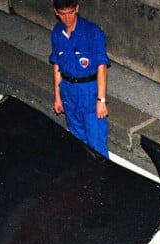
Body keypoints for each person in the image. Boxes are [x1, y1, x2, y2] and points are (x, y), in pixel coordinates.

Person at [50, 0, 110, 157]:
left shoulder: (92, 32)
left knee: (96, 146)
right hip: (69, 93)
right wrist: (57, 97)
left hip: (89, 93)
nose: (67, 18)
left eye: (70, 12)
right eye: (62, 14)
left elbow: (101, 66)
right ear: (56, 12)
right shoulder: (57, 33)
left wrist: (101, 100)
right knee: (77, 143)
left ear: (77, 8)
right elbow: (57, 66)